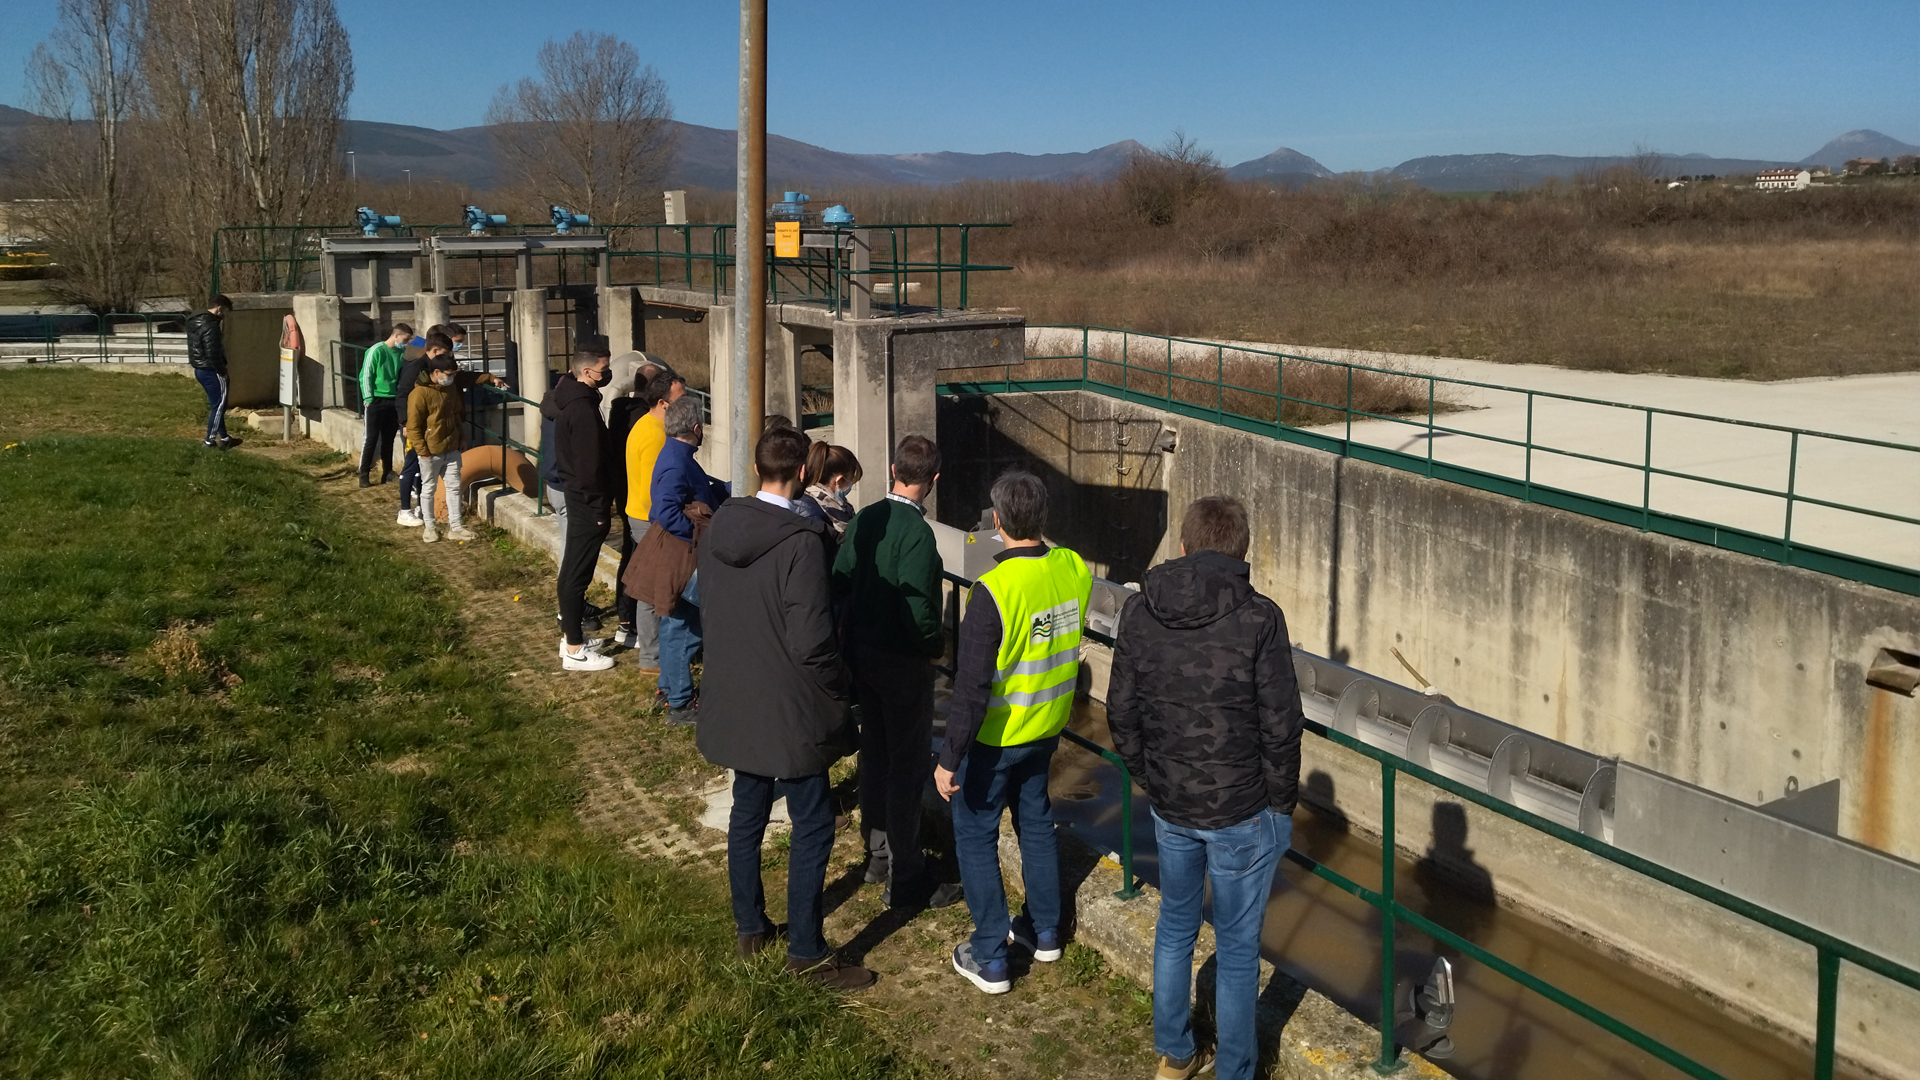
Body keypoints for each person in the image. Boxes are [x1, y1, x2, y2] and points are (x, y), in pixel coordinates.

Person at [1106, 495, 1304, 1080]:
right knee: (1239, 950)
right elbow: (1280, 723)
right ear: (1242, 551)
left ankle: (1175, 1052)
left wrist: (1149, 777)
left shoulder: (1140, 611)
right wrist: (1281, 804)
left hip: (1171, 804)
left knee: (1175, 927)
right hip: (1242, 809)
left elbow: (1121, 712)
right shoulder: (1261, 617)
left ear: (1185, 546)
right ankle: (1235, 1072)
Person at [696, 425, 875, 992]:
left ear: (756, 469)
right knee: (814, 821)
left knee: (748, 812)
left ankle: (750, 928)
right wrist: (841, 686)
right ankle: (807, 950)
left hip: (736, 692)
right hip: (792, 703)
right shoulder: (800, 542)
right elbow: (812, 640)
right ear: (803, 474)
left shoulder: (722, 522)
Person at [935, 471, 1090, 995]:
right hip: (1048, 727)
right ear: (1044, 518)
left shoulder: (993, 592)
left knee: (976, 835)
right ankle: (1044, 930)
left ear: (996, 522)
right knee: (1036, 821)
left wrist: (948, 757)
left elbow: (972, 688)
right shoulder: (1073, 569)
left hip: (996, 737)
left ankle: (990, 956)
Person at [833, 436, 960, 909]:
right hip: (902, 663)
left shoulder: (865, 517)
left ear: (891, 469)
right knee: (907, 767)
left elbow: (841, 578)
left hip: (861, 654)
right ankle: (907, 875)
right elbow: (920, 606)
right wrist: (931, 649)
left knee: (875, 754)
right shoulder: (918, 534)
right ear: (934, 480)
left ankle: (877, 853)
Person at [640, 394, 729, 721]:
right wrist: (699, 535)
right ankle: (679, 702)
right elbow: (665, 511)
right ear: (695, 427)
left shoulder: (678, 454)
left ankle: (668, 688)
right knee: (686, 628)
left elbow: (698, 488)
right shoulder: (678, 461)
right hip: (684, 557)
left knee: (673, 624)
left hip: (679, 554)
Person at [541, 346, 617, 672]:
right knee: (576, 574)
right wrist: (601, 508)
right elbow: (590, 468)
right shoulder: (584, 411)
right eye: (603, 369)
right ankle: (574, 648)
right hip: (586, 501)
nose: (606, 374)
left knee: (573, 570)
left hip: (575, 495)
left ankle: (571, 637)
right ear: (587, 372)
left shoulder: (566, 398)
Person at [613, 372, 676, 675]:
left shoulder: (647, 425)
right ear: (663, 403)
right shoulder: (655, 435)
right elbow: (658, 490)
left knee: (648, 589)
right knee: (651, 592)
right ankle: (652, 657)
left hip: (640, 515)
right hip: (648, 519)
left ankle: (654, 654)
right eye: (681, 398)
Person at [404, 347, 479, 544]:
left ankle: (456, 526)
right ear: (436, 373)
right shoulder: (419, 394)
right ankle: (429, 527)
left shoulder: (450, 389)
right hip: (430, 451)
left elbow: (455, 415)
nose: (452, 378)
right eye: (449, 374)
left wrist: (461, 437)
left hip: (452, 447)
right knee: (428, 489)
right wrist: (423, 451)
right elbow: (413, 426)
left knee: (454, 488)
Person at [357, 322, 412, 487]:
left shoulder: (402, 351)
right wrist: (368, 398)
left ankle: (387, 472)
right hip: (377, 399)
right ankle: (364, 473)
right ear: (396, 335)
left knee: (389, 439)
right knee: (372, 438)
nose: (407, 342)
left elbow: (423, 344)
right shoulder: (376, 350)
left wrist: (415, 339)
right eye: (405, 339)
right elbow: (366, 375)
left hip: (393, 399)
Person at [186, 294, 238, 449]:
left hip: (200, 369)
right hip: (211, 370)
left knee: (216, 405)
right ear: (219, 308)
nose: (224, 315)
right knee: (219, 406)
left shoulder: (195, 321)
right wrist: (222, 371)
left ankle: (225, 437)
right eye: (225, 311)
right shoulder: (211, 325)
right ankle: (209, 441)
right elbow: (212, 352)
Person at [798, 443, 862, 539]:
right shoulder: (820, 514)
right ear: (839, 480)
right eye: (851, 480)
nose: (850, 485)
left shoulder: (802, 499)